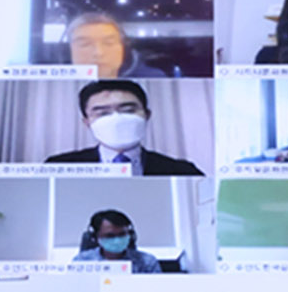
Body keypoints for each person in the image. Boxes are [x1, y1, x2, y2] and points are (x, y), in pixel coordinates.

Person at [44, 80, 202, 175]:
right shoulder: (58, 166)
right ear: (87, 122)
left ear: (146, 115)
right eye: (103, 113)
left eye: (128, 110)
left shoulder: (182, 170)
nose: (116, 119)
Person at [65, 13, 165, 79]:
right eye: (85, 44)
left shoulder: (153, 77)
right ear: (70, 50)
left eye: (109, 43)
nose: (99, 53)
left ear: (122, 48)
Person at [71, 209, 164, 273]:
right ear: (95, 237)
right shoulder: (82, 262)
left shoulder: (147, 262)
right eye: (110, 235)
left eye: (122, 234)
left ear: (130, 235)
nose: (117, 240)